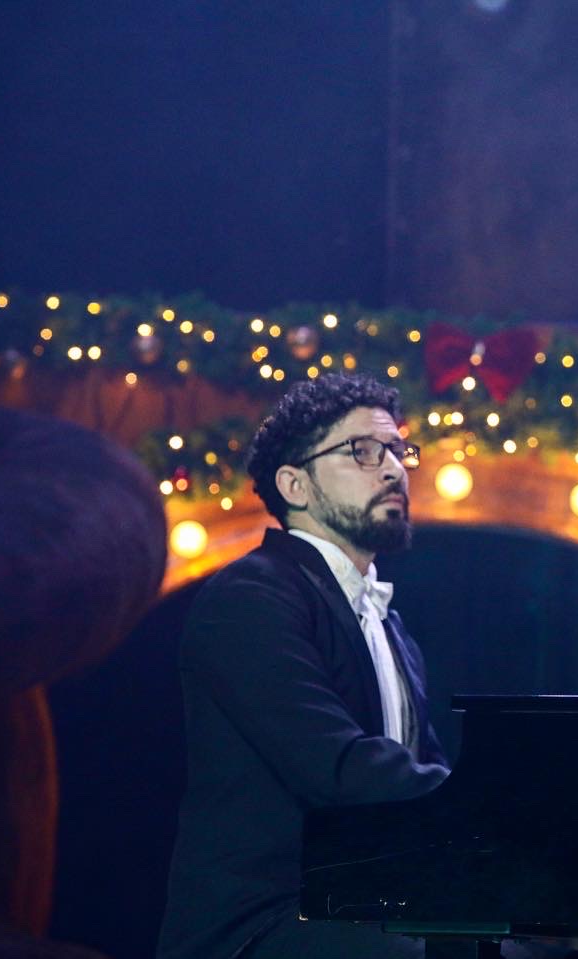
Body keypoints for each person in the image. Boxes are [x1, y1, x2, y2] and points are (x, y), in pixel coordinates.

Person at [159, 374, 450, 959]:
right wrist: (494, 805)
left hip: (367, 913)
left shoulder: (391, 627)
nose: (394, 469)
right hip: (262, 926)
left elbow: (424, 779)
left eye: (398, 451)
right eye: (363, 452)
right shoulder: (250, 598)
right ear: (296, 484)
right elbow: (335, 766)